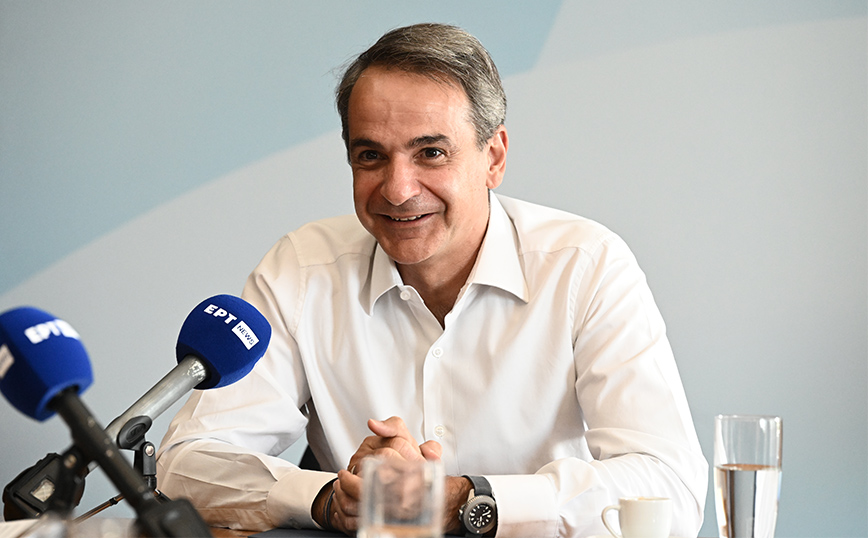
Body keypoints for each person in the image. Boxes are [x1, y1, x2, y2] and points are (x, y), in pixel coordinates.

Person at [156, 23, 708, 537]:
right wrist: (331, 500)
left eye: (431, 153)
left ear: (494, 157)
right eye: (370, 156)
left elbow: (670, 485)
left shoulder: (585, 265)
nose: (398, 189)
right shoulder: (301, 270)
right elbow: (186, 462)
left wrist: (467, 500)